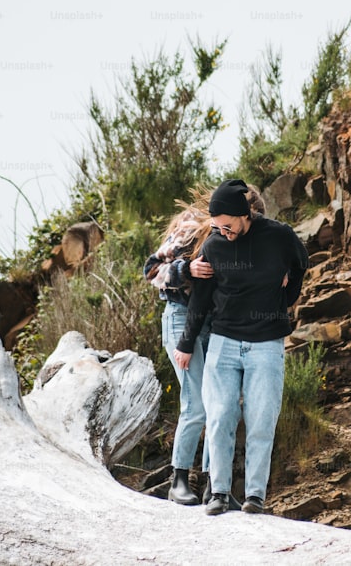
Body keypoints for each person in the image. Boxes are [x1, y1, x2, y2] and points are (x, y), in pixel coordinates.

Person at [175, 178, 309, 516]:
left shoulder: (279, 235)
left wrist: (285, 296)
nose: (222, 231)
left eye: (228, 225)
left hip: (266, 344)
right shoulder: (215, 245)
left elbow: (300, 264)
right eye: (217, 226)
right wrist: (187, 342)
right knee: (220, 417)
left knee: (261, 419)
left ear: (244, 214)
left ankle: (255, 496)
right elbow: (201, 298)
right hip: (223, 342)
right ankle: (218, 492)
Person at [144, 206, 214, 505]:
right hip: (179, 317)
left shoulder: (234, 238)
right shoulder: (190, 229)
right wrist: (187, 269)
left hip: (213, 323)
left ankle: (215, 484)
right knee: (196, 402)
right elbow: (151, 271)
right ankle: (179, 480)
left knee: (218, 406)